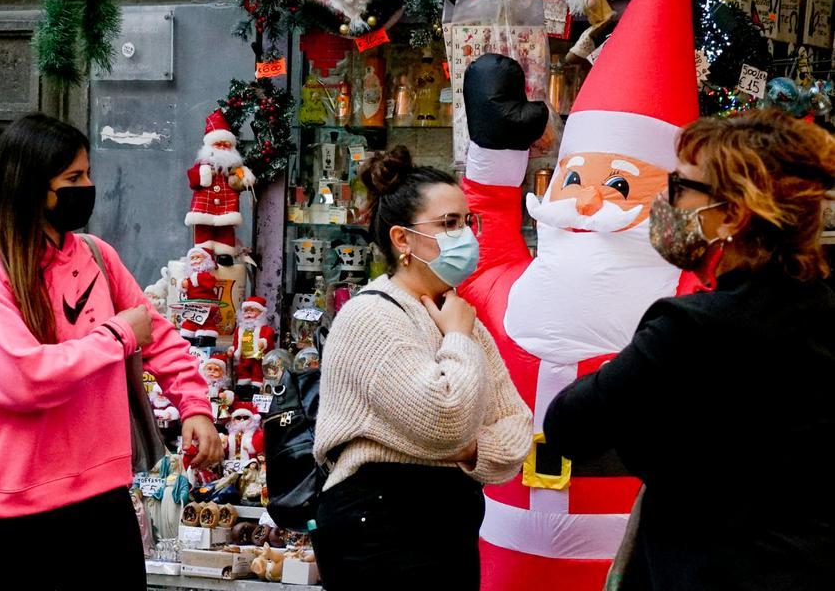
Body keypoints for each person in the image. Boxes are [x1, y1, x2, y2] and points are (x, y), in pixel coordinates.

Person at [544, 109, 835, 591]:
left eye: (680, 187)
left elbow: (568, 426)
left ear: (732, 216)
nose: (663, 199)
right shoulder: (820, 307)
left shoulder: (691, 327)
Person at [0, 113, 224, 590]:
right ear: (32, 186)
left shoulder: (95, 256)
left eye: (88, 174)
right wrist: (114, 337)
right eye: (73, 178)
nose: (87, 187)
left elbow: (157, 334)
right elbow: (22, 379)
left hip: (100, 495)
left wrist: (194, 405)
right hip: (9, 508)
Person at [311, 146, 533, 591]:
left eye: (469, 222)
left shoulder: (460, 316)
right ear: (403, 239)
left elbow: (517, 431)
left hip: (446, 522)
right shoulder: (372, 317)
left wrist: (469, 451)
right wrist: (456, 340)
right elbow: (443, 419)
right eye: (449, 224)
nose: (466, 235)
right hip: (380, 525)